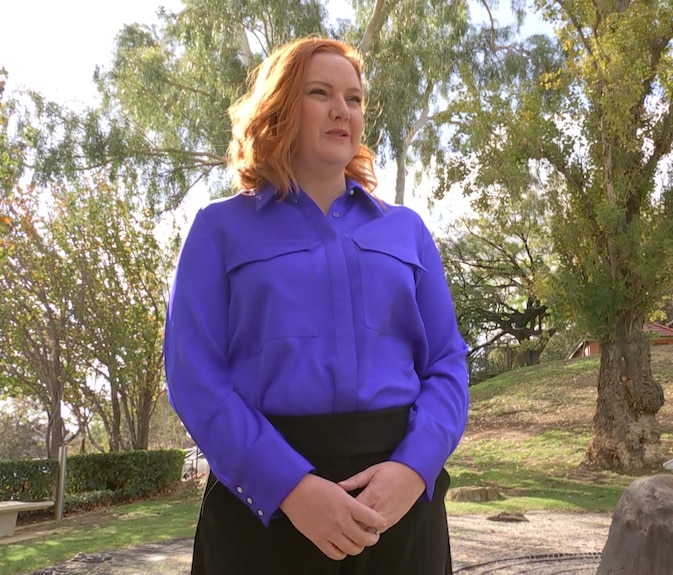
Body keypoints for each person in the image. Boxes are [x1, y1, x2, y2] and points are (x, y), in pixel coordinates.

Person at [163, 36, 469, 575]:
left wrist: (414, 470)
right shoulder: (219, 230)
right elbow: (194, 376)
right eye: (320, 92)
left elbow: (446, 364)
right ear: (280, 109)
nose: (341, 110)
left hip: (396, 509)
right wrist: (290, 489)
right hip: (262, 513)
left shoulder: (408, 231)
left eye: (353, 99)